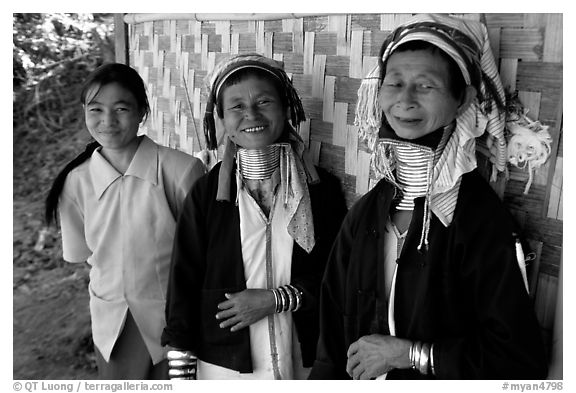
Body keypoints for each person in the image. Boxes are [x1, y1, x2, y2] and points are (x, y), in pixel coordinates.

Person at [308, 14, 548, 380]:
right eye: (396, 83)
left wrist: (411, 354)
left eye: (426, 86)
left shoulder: (479, 221)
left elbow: (519, 360)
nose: (405, 100)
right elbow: (331, 340)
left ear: (463, 99)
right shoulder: (365, 214)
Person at [161, 54, 348, 380]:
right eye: (236, 107)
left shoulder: (321, 191)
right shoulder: (207, 196)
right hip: (224, 368)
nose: (251, 114)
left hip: (304, 364)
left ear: (287, 109)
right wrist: (180, 373)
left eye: (264, 102)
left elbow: (339, 275)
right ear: (221, 118)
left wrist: (276, 299)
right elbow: (183, 281)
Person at [44, 63, 206, 379]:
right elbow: (83, 256)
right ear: (84, 112)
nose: (108, 121)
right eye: (96, 110)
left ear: (142, 111)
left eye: (121, 108)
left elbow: (204, 252)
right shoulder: (75, 183)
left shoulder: (181, 171)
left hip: (177, 322)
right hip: (112, 325)